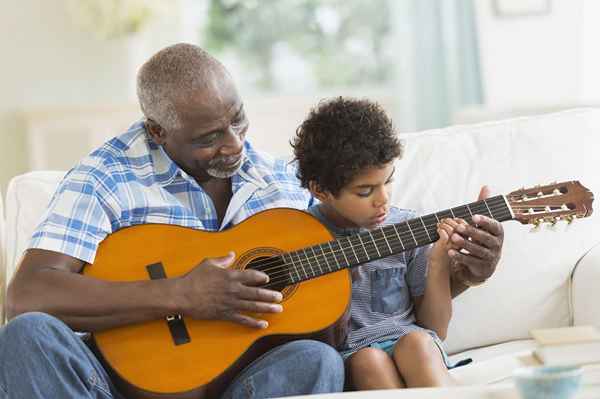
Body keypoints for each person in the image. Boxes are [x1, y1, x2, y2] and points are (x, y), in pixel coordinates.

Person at [0, 43, 345, 399]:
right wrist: (179, 293)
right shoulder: (104, 177)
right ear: (157, 131)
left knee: (318, 360)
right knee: (28, 335)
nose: (234, 143)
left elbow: (326, 315)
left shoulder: (281, 180)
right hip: (117, 387)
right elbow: (27, 296)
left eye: (238, 119)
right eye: (209, 138)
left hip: (241, 383)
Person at [290, 97, 504, 390]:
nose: (383, 199)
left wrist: (439, 259)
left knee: (416, 342)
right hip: (353, 354)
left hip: (413, 344)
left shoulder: (406, 228)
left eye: (388, 181)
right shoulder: (297, 237)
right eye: (365, 191)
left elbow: (435, 329)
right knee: (369, 361)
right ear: (321, 190)